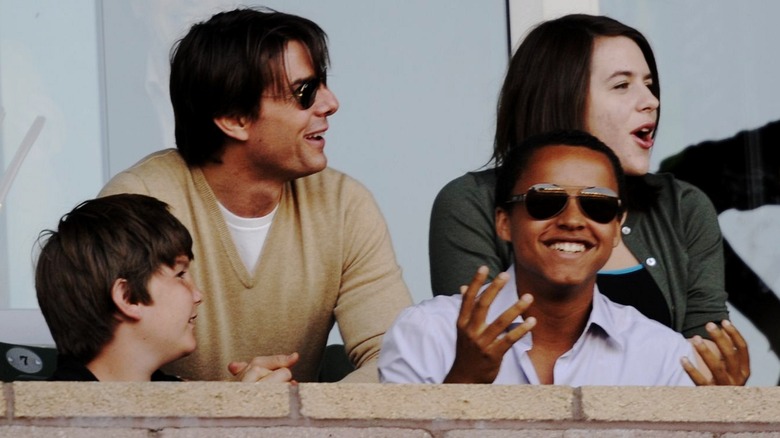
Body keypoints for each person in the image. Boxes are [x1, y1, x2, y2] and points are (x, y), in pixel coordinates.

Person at [427, 14, 749, 385]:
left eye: (648, 84)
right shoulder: (473, 202)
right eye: (622, 85)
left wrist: (724, 390)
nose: (651, 101)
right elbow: (481, 351)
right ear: (561, 96)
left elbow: (707, 359)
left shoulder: (683, 207)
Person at [99, 7, 412, 382]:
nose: (330, 102)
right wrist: (229, 413)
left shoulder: (345, 205)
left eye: (322, 84)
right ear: (234, 119)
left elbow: (397, 360)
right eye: (305, 91)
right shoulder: (136, 201)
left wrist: (297, 408)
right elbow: (108, 378)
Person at [382, 130, 700, 385]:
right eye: (546, 201)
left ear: (616, 228)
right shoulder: (427, 333)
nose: (573, 220)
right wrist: (464, 382)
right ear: (504, 222)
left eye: (598, 204)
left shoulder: (663, 355)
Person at [36, 194, 296, 382]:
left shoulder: (178, 397)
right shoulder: (46, 421)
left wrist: (240, 409)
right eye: (180, 274)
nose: (198, 295)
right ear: (128, 298)